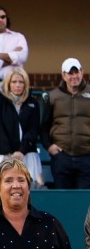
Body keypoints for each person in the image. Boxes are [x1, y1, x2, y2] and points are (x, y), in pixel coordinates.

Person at [42, 58, 90, 189]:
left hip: (86, 156)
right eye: (70, 73)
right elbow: (44, 126)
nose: (74, 76)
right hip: (62, 157)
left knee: (84, 202)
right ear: (63, 75)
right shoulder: (52, 97)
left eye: (77, 72)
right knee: (63, 201)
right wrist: (49, 147)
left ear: (82, 72)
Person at [0, 68, 41, 185]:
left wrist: (21, 151)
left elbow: (33, 130)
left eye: (21, 82)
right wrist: (9, 153)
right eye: (14, 82)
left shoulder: (32, 103)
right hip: (4, 155)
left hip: (27, 154)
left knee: (27, 188)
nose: (18, 85)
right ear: (8, 83)